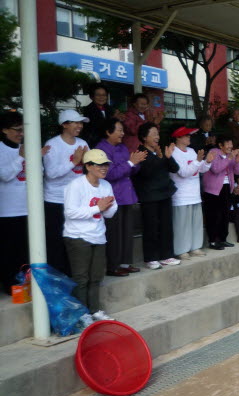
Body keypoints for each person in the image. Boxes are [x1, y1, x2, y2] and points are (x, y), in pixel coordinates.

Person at [62, 148, 117, 317]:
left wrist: (107, 207)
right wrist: (97, 208)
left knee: (96, 277)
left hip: (98, 235)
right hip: (77, 236)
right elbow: (70, 213)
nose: (104, 168)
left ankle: (94, 311)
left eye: (106, 164)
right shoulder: (76, 185)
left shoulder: (106, 185)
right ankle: (82, 315)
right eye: (99, 165)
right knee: (81, 278)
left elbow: (110, 213)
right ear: (88, 166)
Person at [0, 112, 49, 294]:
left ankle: (26, 285)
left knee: (25, 251)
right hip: (7, 210)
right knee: (9, 252)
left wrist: (34, 158)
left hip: (29, 208)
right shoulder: (2, 149)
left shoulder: (27, 147)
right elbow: (5, 175)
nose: (21, 134)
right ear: (4, 130)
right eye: (17, 130)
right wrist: (21, 157)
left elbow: (40, 172)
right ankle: (10, 286)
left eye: (23, 130)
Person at [96, 117, 145, 276]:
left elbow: (131, 170)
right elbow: (109, 173)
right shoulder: (101, 149)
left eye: (123, 130)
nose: (123, 134)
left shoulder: (123, 147)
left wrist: (135, 163)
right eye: (119, 130)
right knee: (114, 233)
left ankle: (125, 262)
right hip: (113, 196)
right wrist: (130, 163)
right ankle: (113, 265)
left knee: (127, 232)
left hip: (127, 194)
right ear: (108, 132)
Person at [43, 110, 90, 275]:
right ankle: (58, 277)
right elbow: (51, 173)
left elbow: (90, 169)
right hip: (56, 200)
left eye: (81, 123)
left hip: (77, 200)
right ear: (64, 124)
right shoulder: (53, 145)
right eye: (76, 122)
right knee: (56, 241)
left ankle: (74, 275)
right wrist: (74, 161)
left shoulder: (83, 143)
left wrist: (86, 162)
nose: (80, 126)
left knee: (75, 239)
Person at [132, 123, 181, 270]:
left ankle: (166, 255)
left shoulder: (160, 150)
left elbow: (175, 168)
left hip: (165, 193)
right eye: (153, 134)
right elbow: (147, 172)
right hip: (149, 196)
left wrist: (167, 157)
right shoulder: (140, 153)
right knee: (151, 228)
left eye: (157, 134)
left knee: (166, 226)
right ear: (144, 137)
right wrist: (160, 158)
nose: (157, 137)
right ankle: (151, 258)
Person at [170, 127, 215, 260]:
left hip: (194, 194)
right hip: (181, 195)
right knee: (181, 225)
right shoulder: (174, 152)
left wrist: (207, 162)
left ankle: (195, 247)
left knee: (195, 224)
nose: (189, 137)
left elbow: (200, 169)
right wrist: (197, 161)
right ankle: (181, 250)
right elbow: (183, 172)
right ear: (178, 138)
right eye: (186, 135)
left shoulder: (191, 151)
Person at [203, 136, 239, 249]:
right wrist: (230, 158)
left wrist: (237, 161)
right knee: (213, 215)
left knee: (225, 214)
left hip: (227, 187)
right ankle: (213, 241)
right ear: (220, 145)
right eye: (227, 144)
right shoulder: (214, 152)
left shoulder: (230, 155)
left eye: (231, 144)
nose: (230, 146)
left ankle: (223, 239)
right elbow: (216, 169)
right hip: (213, 190)